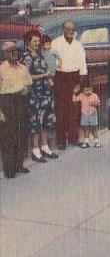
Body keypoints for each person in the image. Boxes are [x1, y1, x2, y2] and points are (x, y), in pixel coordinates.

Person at [22, 29, 58, 162]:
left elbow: (45, 69)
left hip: (46, 93)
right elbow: (27, 77)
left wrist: (50, 78)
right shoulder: (27, 57)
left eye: (38, 40)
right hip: (35, 95)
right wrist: (44, 75)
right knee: (36, 122)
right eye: (35, 41)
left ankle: (45, 146)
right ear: (28, 42)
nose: (37, 43)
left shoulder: (41, 54)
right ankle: (35, 150)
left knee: (46, 121)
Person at [52, 20, 87, 149]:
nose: (70, 32)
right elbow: (52, 61)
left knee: (75, 109)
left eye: (72, 30)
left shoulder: (78, 45)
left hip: (75, 77)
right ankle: (61, 140)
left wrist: (80, 82)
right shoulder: (56, 43)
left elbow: (83, 64)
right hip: (61, 77)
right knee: (61, 110)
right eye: (68, 29)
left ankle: (73, 138)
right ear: (63, 30)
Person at [0, 42, 31, 178]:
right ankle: (9, 169)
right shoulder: (1, 69)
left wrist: (25, 91)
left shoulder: (23, 68)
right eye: (10, 51)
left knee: (21, 134)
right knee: (8, 137)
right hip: (6, 102)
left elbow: (29, 84)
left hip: (21, 101)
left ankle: (19, 164)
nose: (14, 54)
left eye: (16, 51)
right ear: (5, 54)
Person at [72, 76, 100, 148]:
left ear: (92, 89)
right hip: (84, 114)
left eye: (90, 90)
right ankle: (86, 141)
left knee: (94, 128)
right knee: (86, 128)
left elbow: (99, 103)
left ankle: (96, 141)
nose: (88, 92)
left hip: (93, 114)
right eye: (86, 90)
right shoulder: (81, 95)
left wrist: (95, 104)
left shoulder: (94, 95)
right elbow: (74, 100)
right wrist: (74, 93)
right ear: (83, 90)